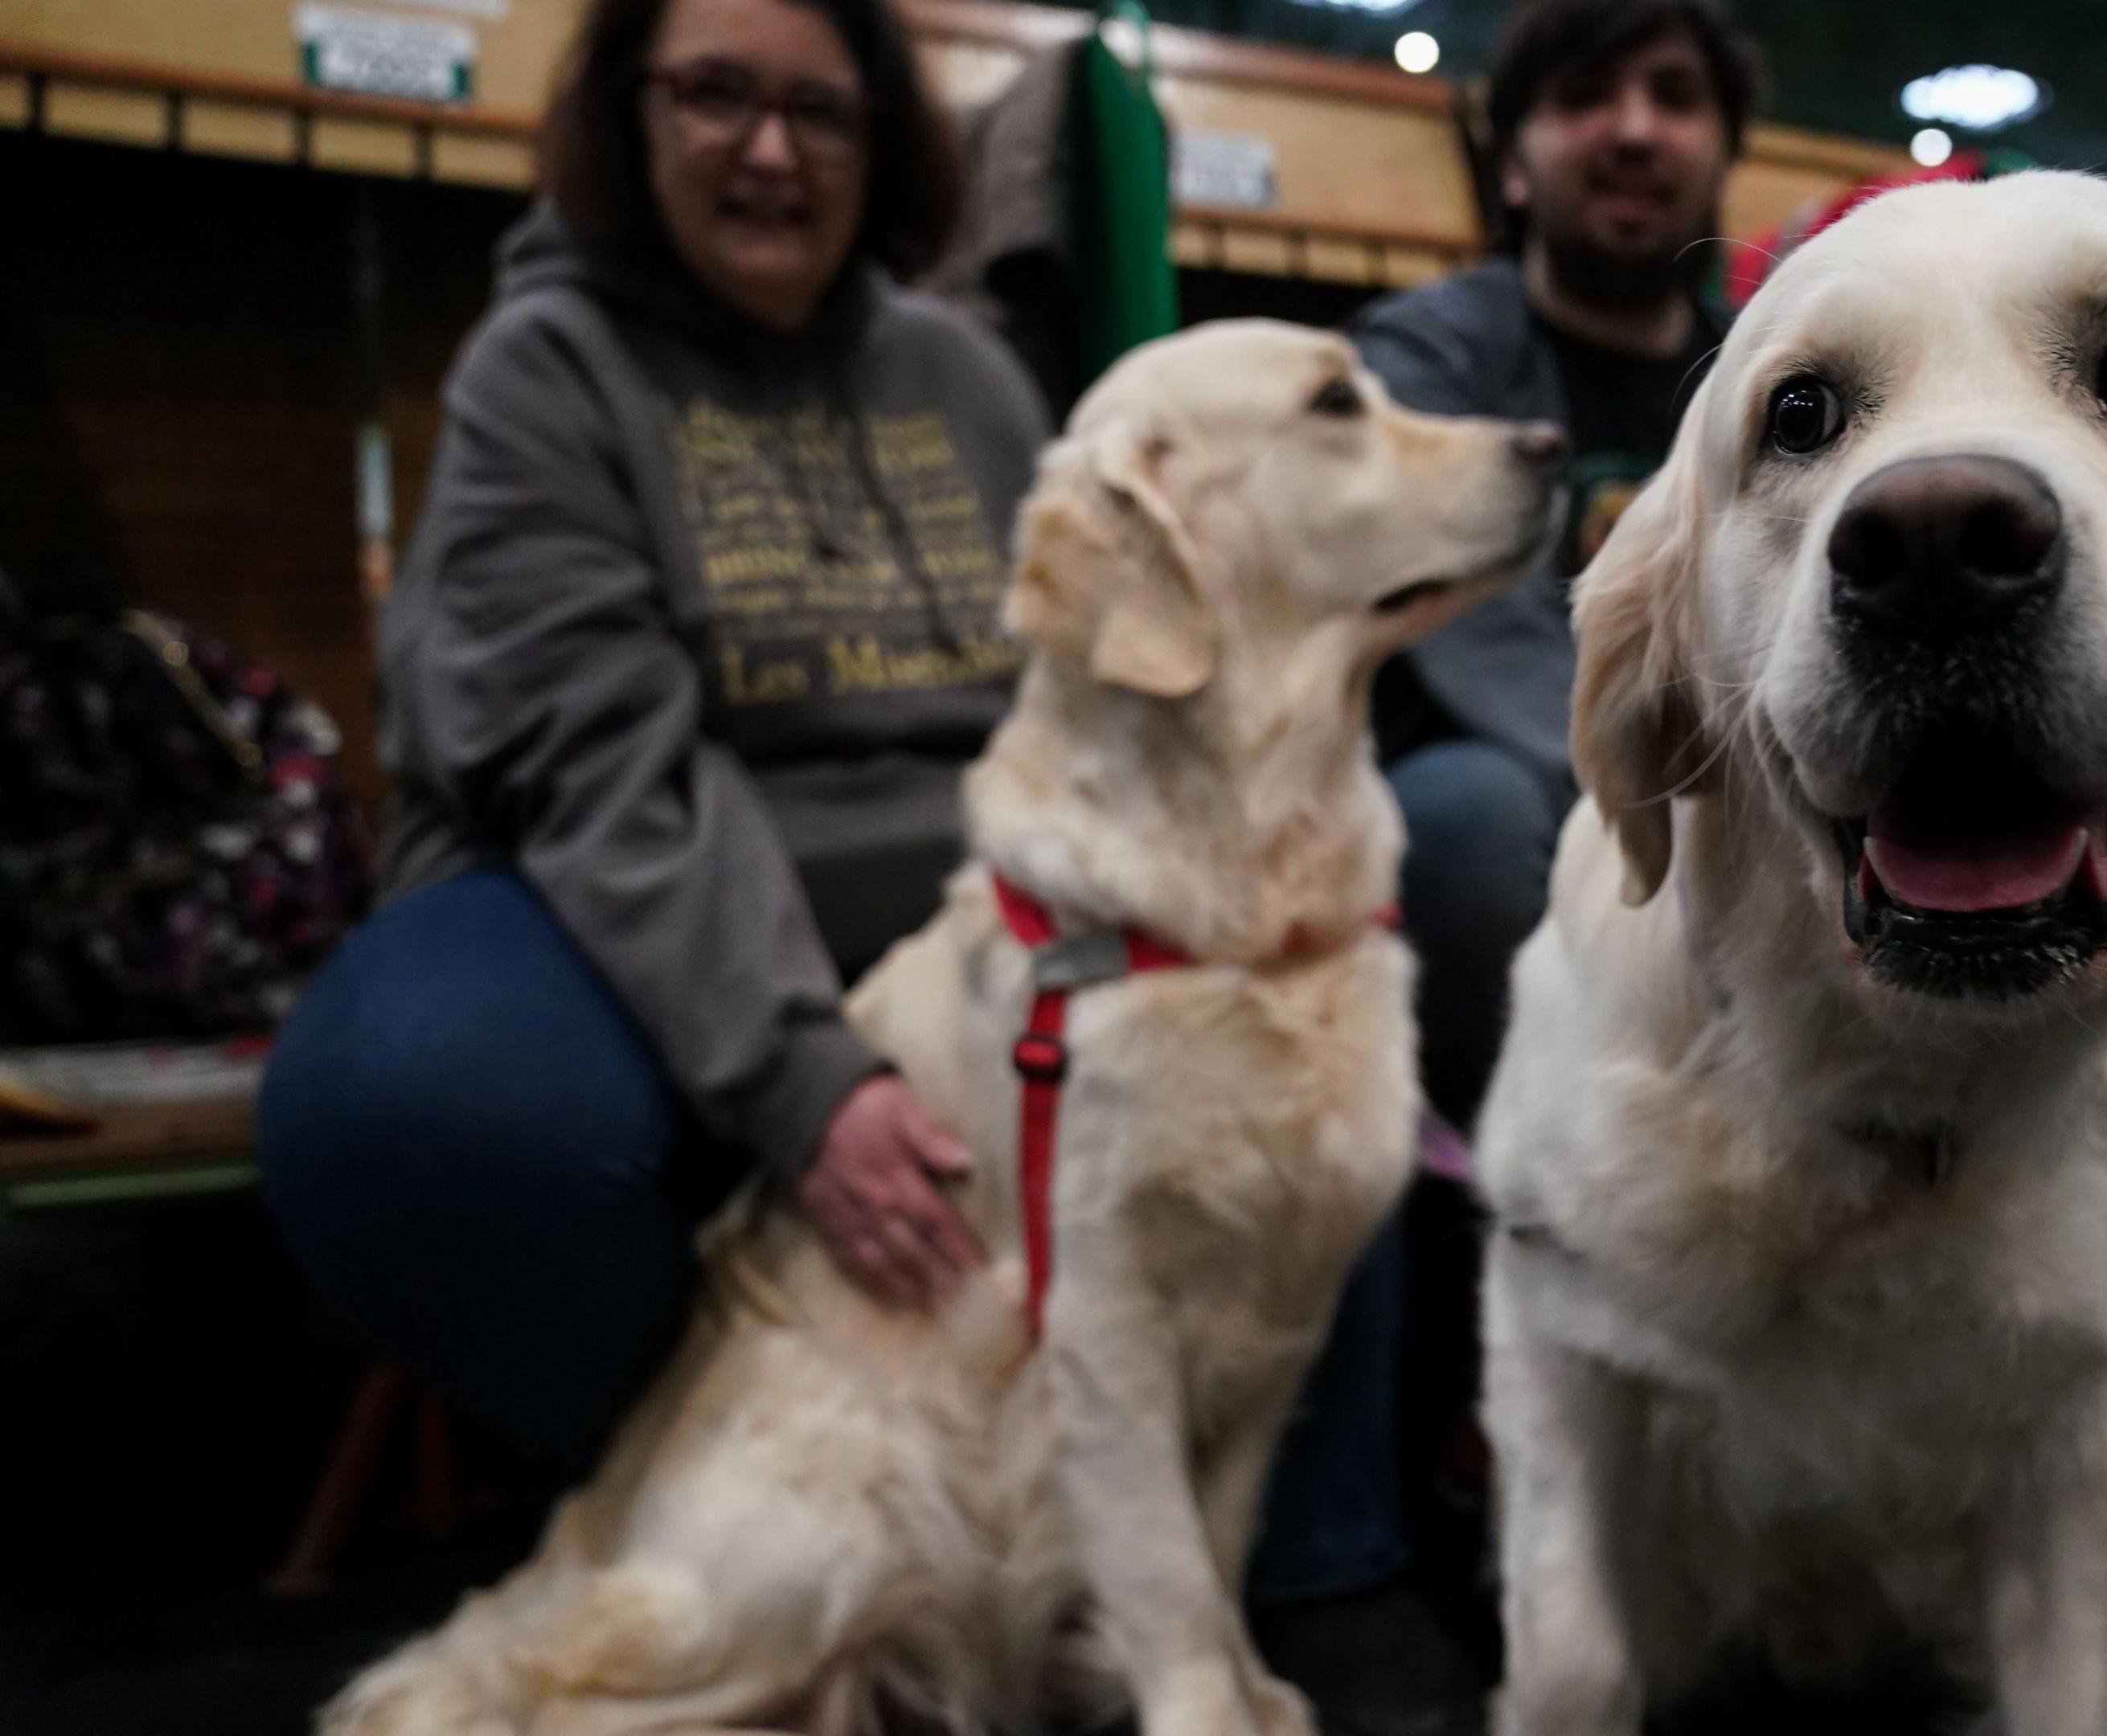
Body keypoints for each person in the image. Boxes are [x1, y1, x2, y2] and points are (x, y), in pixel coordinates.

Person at [257, 0, 1047, 1475]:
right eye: (715, 96)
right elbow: (601, 768)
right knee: (423, 1117)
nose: (769, 150)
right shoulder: (540, 366)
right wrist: (799, 1073)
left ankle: (1281, 1575)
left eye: (821, 111)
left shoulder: (971, 376)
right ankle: (716, 1487)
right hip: (601, 888)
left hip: (957, 901)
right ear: (631, 111)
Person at [1232, 0, 1762, 1718]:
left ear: (1718, 144)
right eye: (1585, 95)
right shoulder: (1433, 359)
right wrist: (1712, 826)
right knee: (1475, 827)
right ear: (1512, 150)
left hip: (1727, 835)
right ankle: (1468, 1451)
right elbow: (1494, 657)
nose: (1633, 128)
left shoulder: (1770, 363)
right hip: (1487, 862)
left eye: (1675, 96)